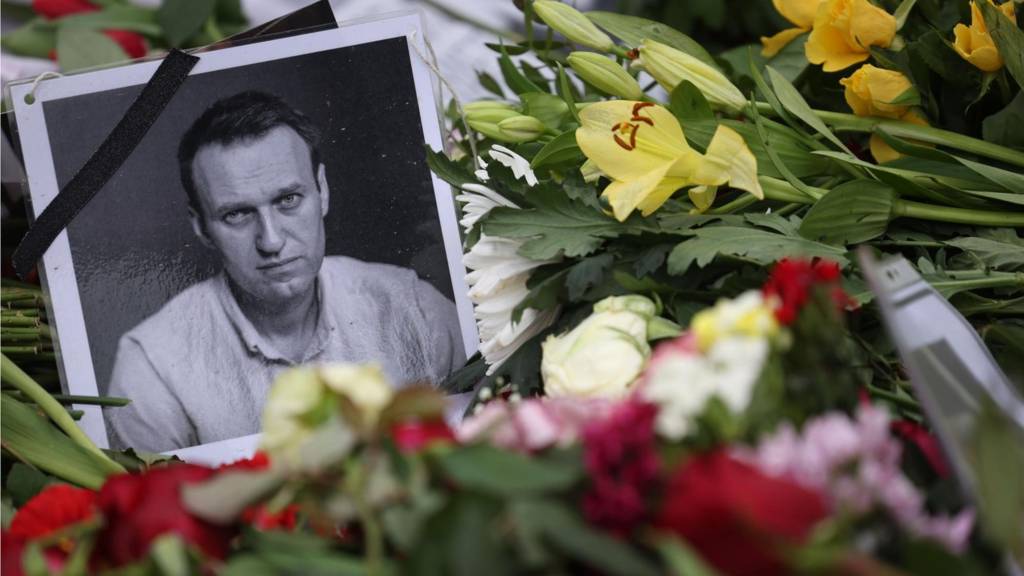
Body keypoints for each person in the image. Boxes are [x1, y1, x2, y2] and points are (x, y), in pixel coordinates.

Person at [105, 91, 465, 453]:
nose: (271, 241)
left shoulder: (416, 309)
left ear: (322, 190)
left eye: (288, 200)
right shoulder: (150, 365)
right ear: (201, 226)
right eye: (237, 214)